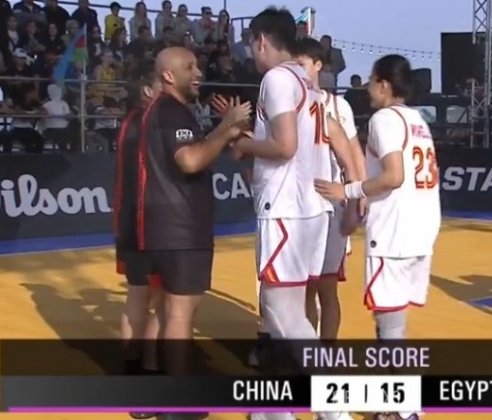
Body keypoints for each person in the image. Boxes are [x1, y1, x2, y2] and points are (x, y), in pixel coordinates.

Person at [227, 8, 346, 420]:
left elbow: (284, 146)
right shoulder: (307, 82)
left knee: (283, 312)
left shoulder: (277, 79)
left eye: (251, 44)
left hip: (286, 208)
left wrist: (244, 145)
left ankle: (334, 411)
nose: (251, 52)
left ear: (262, 40)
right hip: (309, 208)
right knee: (285, 312)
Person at [315, 55, 442, 420]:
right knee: (392, 323)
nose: (368, 88)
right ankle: (396, 406)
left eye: (372, 81)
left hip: (395, 232)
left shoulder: (384, 119)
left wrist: (349, 191)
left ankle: (402, 409)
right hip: (421, 228)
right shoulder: (418, 120)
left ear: (384, 85)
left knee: (390, 326)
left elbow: (393, 176)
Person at [138, 46, 251, 420]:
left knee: (166, 309)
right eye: (189, 67)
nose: (198, 72)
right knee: (181, 314)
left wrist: (224, 130)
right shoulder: (172, 111)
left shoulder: (160, 109)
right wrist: (224, 128)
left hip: (164, 227)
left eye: (198, 66)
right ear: (169, 76)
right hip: (182, 229)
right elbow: (190, 159)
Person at [295, 36, 367, 340]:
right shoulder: (290, 103)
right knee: (304, 290)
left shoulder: (338, 106)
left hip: (330, 206)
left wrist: (358, 197)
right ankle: (308, 350)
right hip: (299, 207)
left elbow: (353, 155)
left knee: (326, 287)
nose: (296, 70)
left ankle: (327, 350)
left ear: (317, 66)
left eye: (301, 64)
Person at [113, 69, 163, 420]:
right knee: (163, 304)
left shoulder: (129, 122)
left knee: (137, 301)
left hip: (129, 223)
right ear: (147, 89)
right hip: (150, 226)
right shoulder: (148, 124)